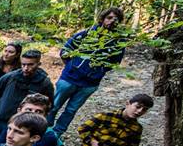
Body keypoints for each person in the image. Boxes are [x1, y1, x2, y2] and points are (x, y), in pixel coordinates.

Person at [50, 7, 127, 136]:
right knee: (54, 105)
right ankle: (43, 129)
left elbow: (114, 63)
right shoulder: (86, 34)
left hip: (90, 83)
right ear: (102, 18)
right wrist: (73, 66)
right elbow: (65, 50)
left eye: (116, 19)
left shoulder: (117, 42)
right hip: (69, 78)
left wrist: (99, 71)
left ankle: (56, 134)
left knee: (71, 110)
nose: (112, 21)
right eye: (109, 18)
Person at [0, 49, 54, 146]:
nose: (26, 68)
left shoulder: (44, 83)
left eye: (30, 65)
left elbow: (49, 105)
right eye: (23, 64)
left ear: (38, 64)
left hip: (23, 126)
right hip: (1, 120)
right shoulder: (11, 76)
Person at [0, 93, 64, 146]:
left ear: (45, 116)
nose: (32, 114)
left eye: (38, 112)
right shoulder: (13, 125)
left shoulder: (48, 136)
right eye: (28, 110)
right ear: (19, 111)